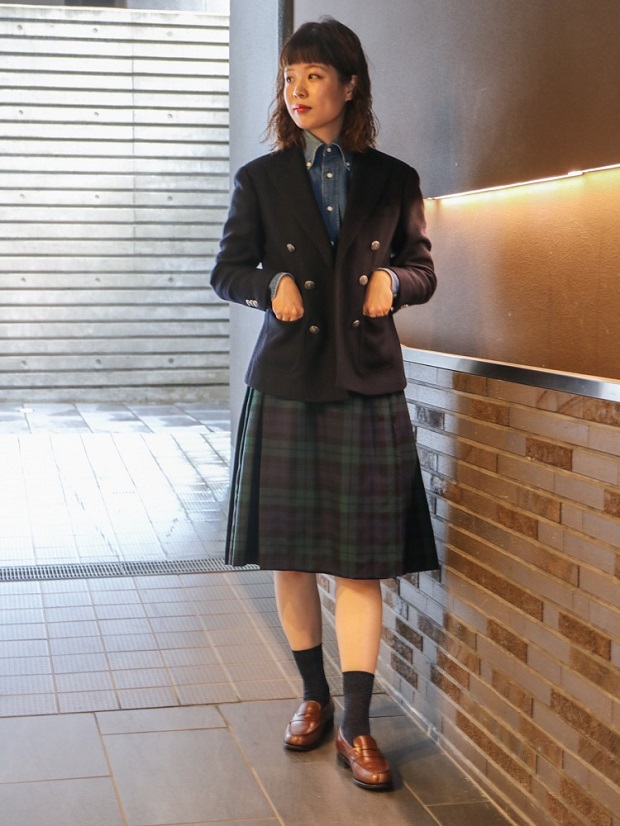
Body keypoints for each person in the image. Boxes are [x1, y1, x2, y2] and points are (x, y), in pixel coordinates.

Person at [211, 17, 439, 792]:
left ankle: (358, 724)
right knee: (293, 556)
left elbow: (421, 268)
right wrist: (268, 284)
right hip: (288, 381)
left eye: (313, 75)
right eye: (289, 78)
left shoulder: (393, 179)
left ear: (349, 84)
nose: (298, 90)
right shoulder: (261, 180)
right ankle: (314, 697)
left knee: (363, 563)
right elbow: (227, 270)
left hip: (366, 381)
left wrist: (393, 283)